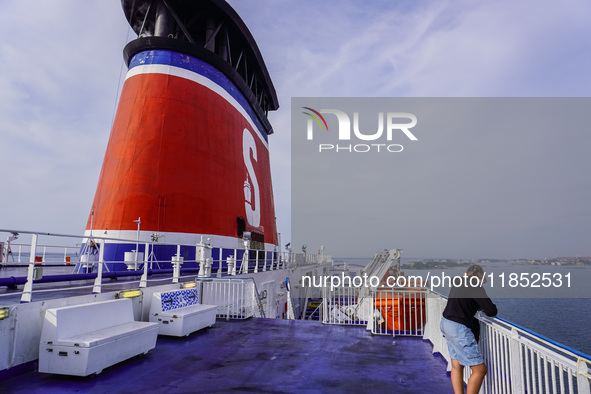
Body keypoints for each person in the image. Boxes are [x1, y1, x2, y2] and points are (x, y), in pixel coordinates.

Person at [440, 265, 497, 394]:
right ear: (480, 277)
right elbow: (491, 310)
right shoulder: (475, 286)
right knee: (480, 370)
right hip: (458, 328)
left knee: (456, 366)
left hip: (446, 323)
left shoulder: (458, 283)